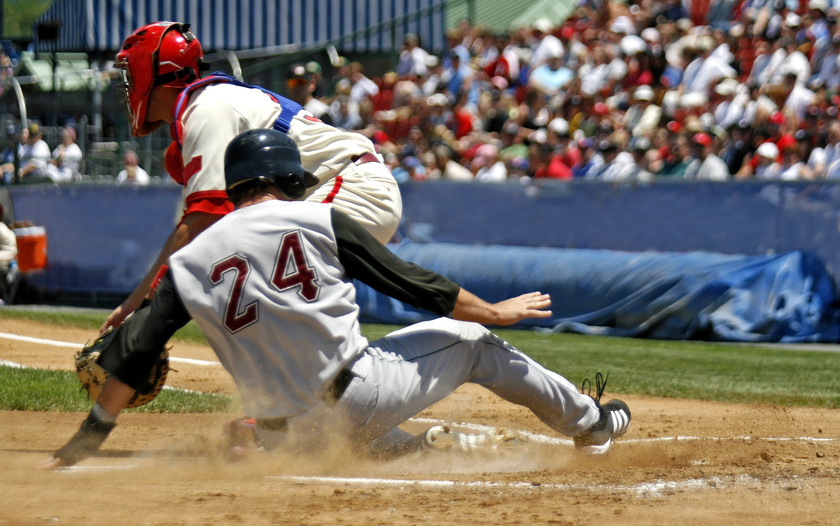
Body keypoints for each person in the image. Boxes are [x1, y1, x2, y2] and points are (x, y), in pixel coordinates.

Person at [39, 129, 631, 469]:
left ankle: (425, 445)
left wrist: (88, 436)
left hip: (280, 432)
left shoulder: (188, 260)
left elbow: (137, 348)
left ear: (234, 188)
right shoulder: (317, 217)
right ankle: (592, 424)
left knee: (351, 442)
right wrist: (494, 313)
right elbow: (413, 284)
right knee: (475, 344)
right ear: (290, 178)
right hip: (355, 395)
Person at [104, 21, 401, 333]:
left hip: (352, 187)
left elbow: (202, 222)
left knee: (251, 274)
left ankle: (348, 368)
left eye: (131, 73)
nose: (127, 84)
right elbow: (190, 229)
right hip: (337, 190)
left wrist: (141, 311)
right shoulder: (203, 109)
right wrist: (140, 302)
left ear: (154, 72)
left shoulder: (207, 108)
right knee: (240, 282)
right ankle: (315, 371)